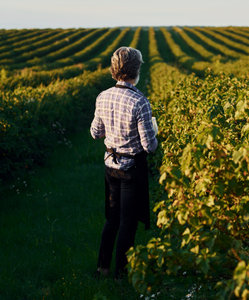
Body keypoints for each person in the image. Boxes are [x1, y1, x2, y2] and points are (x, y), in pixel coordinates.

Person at [90, 47, 158, 279]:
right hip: (131, 169)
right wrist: (155, 131)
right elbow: (149, 146)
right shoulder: (140, 101)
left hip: (110, 166)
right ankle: (121, 274)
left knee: (111, 219)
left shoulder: (103, 96)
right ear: (136, 70)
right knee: (128, 223)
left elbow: (95, 132)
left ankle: (102, 268)